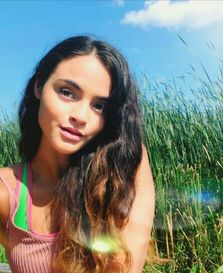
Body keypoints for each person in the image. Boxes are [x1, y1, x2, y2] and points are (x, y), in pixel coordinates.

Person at [0, 35, 155, 273]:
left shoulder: (122, 167)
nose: (81, 116)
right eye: (67, 92)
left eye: (99, 106)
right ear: (39, 86)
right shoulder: (7, 192)